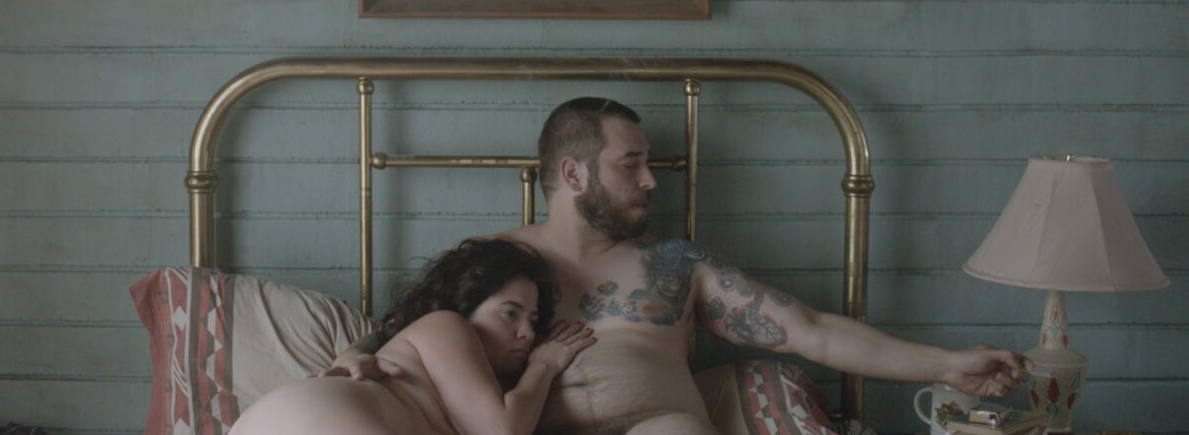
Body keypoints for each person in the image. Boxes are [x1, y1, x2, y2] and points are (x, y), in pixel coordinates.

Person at [326, 98, 1033, 435]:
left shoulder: (674, 264)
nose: (650, 182)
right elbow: (412, 330)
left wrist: (945, 365)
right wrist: (354, 357)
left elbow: (812, 332)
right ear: (572, 173)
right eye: (630, 164)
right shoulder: (497, 265)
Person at [231, 238, 596, 435]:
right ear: (464, 305)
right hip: (316, 418)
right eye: (509, 313)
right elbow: (503, 432)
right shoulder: (447, 324)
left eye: (533, 319)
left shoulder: (486, 390)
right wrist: (544, 366)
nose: (527, 332)